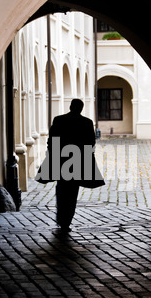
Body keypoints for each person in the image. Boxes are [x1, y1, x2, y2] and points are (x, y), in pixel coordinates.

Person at [36, 99, 105, 234]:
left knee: (61, 189)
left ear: (70, 106)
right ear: (81, 108)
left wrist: (52, 156)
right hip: (77, 161)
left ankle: (61, 218)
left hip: (61, 160)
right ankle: (67, 220)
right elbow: (91, 143)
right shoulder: (87, 122)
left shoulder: (59, 120)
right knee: (73, 192)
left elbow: (52, 140)